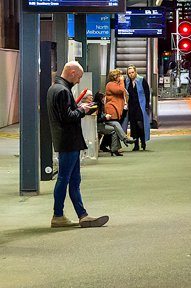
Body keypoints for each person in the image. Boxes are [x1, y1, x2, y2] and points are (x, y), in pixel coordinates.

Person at [47, 61, 109, 228]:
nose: (78, 81)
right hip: (69, 141)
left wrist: (78, 107)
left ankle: (82, 215)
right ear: (72, 73)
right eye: (78, 77)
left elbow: (64, 113)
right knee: (66, 179)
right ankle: (58, 215)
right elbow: (67, 117)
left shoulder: (54, 89)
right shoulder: (63, 91)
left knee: (72, 179)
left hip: (65, 141)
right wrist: (83, 110)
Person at [125, 65, 151, 151]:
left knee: (140, 125)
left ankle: (143, 142)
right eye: (129, 73)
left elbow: (147, 93)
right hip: (131, 106)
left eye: (132, 72)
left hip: (140, 106)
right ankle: (136, 144)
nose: (131, 74)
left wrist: (147, 104)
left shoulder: (142, 80)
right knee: (133, 126)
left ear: (136, 72)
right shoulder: (127, 82)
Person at [93, 91, 126, 156]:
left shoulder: (102, 105)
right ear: (100, 98)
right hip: (98, 125)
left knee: (116, 123)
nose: (105, 99)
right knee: (114, 130)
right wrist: (105, 118)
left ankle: (124, 139)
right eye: (103, 98)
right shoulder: (95, 106)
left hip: (101, 123)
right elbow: (96, 119)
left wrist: (105, 116)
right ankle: (116, 148)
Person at [104, 69, 131, 147]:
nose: (121, 77)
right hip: (113, 109)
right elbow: (120, 90)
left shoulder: (116, 84)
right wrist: (122, 81)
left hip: (119, 109)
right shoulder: (111, 84)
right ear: (115, 77)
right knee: (115, 128)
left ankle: (109, 146)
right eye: (119, 76)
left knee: (116, 128)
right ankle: (112, 145)